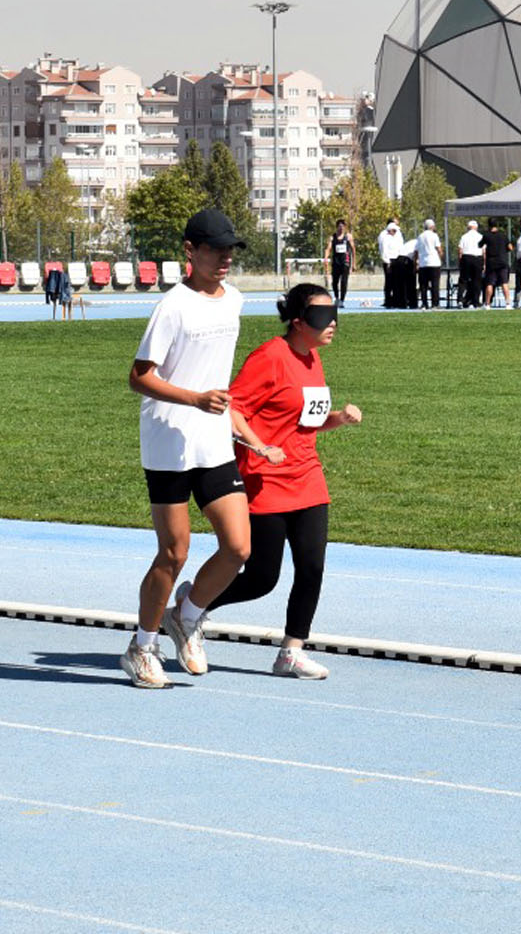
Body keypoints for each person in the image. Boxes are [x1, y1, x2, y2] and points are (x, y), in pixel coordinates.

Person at [121, 208, 274, 689]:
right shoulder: (172, 307)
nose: (225, 257)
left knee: (238, 547)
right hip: (168, 442)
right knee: (174, 552)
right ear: (190, 251)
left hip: (212, 440)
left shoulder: (234, 300)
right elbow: (138, 376)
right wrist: (195, 399)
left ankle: (186, 615)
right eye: (215, 248)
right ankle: (141, 647)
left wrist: (229, 418)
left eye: (230, 249)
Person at [207, 283, 362, 680]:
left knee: (311, 568)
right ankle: (194, 603)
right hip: (266, 481)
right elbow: (231, 410)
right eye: (321, 316)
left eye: (334, 315)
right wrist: (259, 447)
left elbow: (303, 422)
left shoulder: (312, 359)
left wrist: (337, 420)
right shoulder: (270, 357)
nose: (332, 325)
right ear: (297, 321)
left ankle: (291, 652)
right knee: (262, 578)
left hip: (307, 477)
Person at [481, 219, 512, 309]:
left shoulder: (486, 236)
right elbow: (510, 247)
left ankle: (487, 304)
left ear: (489, 225)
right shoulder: (503, 235)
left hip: (491, 262)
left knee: (489, 283)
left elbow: (480, 245)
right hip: (502, 262)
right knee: (504, 283)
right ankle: (508, 304)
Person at [414, 218, 443, 309]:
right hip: (434, 262)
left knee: (423, 286)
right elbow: (438, 249)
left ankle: (424, 304)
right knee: (435, 285)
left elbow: (416, 251)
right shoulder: (434, 236)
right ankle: (435, 304)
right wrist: (441, 256)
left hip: (423, 263)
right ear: (432, 226)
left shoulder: (420, 236)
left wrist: (416, 262)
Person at [457, 219, 484, 308]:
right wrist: (484, 263)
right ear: (476, 228)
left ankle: (460, 300)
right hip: (478, 258)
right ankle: (475, 301)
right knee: (477, 280)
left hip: (466, 258)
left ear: (468, 228)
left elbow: (460, 250)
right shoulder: (480, 236)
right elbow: (484, 251)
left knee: (463, 280)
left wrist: (460, 262)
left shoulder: (464, 236)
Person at [377, 220, 404, 309]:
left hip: (397, 260)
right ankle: (388, 300)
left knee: (396, 281)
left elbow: (400, 247)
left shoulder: (397, 237)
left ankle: (396, 300)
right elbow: (384, 251)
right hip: (389, 261)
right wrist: (387, 262)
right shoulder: (385, 237)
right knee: (389, 282)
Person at [328, 220, 354, 305]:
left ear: (345, 227)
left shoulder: (348, 237)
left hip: (345, 262)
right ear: (337, 227)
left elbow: (353, 250)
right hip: (336, 263)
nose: (341, 228)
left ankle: (342, 300)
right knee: (335, 282)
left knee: (344, 281)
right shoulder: (333, 237)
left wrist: (353, 264)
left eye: (343, 227)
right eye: (339, 226)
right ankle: (337, 297)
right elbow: (328, 248)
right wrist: (326, 257)